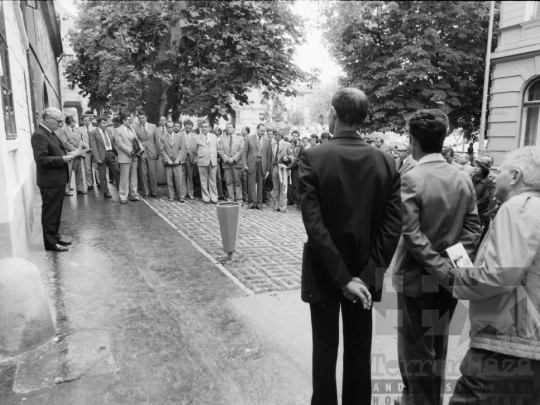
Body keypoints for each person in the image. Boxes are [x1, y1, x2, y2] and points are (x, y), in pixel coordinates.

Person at [299, 88, 402, 405]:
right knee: (359, 351)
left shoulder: (313, 157)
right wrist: (365, 278)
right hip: (365, 277)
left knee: (324, 350)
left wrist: (343, 278)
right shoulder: (386, 161)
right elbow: (391, 228)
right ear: (363, 119)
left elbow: (315, 227)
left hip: (324, 272)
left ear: (333, 113)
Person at [392, 110, 481, 405]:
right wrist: (449, 265)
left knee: (415, 350)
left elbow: (411, 234)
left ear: (413, 140)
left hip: (416, 278)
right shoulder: (462, 178)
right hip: (448, 279)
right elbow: (473, 229)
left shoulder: (411, 178)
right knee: (437, 347)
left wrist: (439, 266)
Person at [447, 146, 540, 404]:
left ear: (515, 176)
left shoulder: (519, 208)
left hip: (505, 348)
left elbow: (500, 276)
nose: (495, 177)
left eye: (500, 171)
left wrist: (457, 276)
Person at [31, 107, 77, 252]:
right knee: (50, 212)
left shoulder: (49, 132)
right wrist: (62, 159)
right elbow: (41, 159)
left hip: (56, 180)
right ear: (48, 119)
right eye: (59, 121)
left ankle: (55, 237)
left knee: (55, 212)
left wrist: (67, 154)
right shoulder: (39, 134)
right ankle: (50, 243)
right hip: (50, 181)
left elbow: (55, 151)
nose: (61, 124)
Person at [89, 116, 120, 199]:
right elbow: (93, 147)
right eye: (103, 123)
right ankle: (106, 192)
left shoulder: (109, 131)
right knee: (102, 175)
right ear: (98, 124)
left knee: (117, 171)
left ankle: (120, 189)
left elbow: (113, 143)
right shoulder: (93, 133)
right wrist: (97, 158)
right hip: (101, 155)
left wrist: (117, 153)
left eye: (106, 123)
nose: (105, 124)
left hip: (111, 153)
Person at [114, 113, 141, 204]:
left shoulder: (132, 129)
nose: (131, 121)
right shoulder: (118, 130)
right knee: (124, 178)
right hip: (125, 156)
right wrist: (131, 151)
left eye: (131, 119)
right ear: (123, 120)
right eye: (129, 119)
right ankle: (123, 196)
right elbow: (120, 144)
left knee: (134, 177)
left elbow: (136, 141)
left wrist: (140, 149)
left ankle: (134, 195)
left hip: (135, 156)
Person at [242, 123, 271, 210]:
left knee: (261, 185)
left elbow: (269, 155)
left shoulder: (267, 140)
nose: (263, 132)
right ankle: (251, 203)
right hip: (251, 164)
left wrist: (268, 168)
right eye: (261, 130)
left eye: (264, 131)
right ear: (257, 129)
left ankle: (259, 203)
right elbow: (244, 153)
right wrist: (245, 164)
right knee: (251, 184)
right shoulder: (249, 138)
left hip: (262, 164)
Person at [133, 111, 160, 198]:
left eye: (142, 118)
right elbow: (135, 140)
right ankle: (146, 192)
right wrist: (137, 150)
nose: (141, 120)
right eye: (139, 118)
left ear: (146, 117)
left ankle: (154, 192)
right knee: (143, 173)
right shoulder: (135, 127)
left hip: (152, 152)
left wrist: (157, 152)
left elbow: (157, 141)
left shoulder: (153, 126)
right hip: (142, 153)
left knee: (153, 173)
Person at [58, 115, 86, 196]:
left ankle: (80, 188)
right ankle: (66, 189)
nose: (75, 122)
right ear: (70, 121)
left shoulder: (76, 129)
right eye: (74, 121)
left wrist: (79, 150)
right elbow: (65, 143)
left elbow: (80, 141)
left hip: (77, 154)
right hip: (69, 154)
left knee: (79, 171)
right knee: (68, 172)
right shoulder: (63, 130)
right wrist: (75, 150)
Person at [192, 121, 219, 204]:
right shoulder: (197, 137)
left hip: (213, 161)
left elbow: (217, 147)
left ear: (209, 128)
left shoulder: (214, 136)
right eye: (202, 127)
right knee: (203, 180)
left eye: (206, 127)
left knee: (213, 180)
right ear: (200, 128)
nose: (204, 128)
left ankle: (214, 197)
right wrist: (201, 155)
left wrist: (214, 155)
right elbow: (193, 150)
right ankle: (206, 197)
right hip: (202, 161)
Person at [160, 121, 186, 202]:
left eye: (172, 127)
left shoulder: (179, 137)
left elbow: (182, 149)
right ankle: (171, 196)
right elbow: (162, 150)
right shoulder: (163, 138)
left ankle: (180, 196)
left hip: (177, 162)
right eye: (169, 127)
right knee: (169, 180)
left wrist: (178, 159)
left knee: (179, 179)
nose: (170, 129)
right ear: (166, 128)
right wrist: (168, 160)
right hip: (168, 162)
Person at [268, 130, 294, 212]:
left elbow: (292, 156)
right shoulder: (272, 144)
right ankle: (276, 205)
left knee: (283, 186)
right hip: (274, 167)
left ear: (280, 135)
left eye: (276, 134)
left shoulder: (287, 144)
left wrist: (287, 158)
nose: (274, 136)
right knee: (275, 187)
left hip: (283, 168)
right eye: (274, 134)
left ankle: (282, 206)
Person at [218, 123, 244, 203]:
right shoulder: (222, 139)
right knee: (229, 182)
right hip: (227, 163)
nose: (228, 129)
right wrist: (227, 158)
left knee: (237, 182)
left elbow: (241, 150)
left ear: (234, 129)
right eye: (227, 128)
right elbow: (220, 151)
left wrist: (234, 158)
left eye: (230, 127)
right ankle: (231, 198)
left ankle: (239, 199)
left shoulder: (240, 138)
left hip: (236, 163)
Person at [75, 115, 95, 190]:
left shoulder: (94, 128)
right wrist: (87, 146)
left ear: (90, 121)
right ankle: (89, 184)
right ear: (82, 121)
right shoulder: (79, 129)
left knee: (96, 167)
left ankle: (99, 182)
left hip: (95, 150)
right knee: (87, 168)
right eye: (85, 120)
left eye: (88, 120)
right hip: (86, 150)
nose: (87, 122)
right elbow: (79, 140)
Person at [288, 130, 304, 207]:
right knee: (288, 183)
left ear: (298, 137)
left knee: (296, 183)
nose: (294, 137)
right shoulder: (288, 143)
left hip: (296, 167)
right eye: (293, 136)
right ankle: (290, 199)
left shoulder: (301, 145)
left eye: (296, 136)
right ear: (291, 136)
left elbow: (303, 156)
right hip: (288, 165)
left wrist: (297, 162)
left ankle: (298, 201)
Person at [180, 119, 196, 199]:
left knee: (190, 175)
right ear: (184, 126)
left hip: (191, 158)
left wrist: (195, 157)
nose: (188, 129)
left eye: (190, 128)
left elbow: (196, 147)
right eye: (187, 128)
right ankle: (183, 193)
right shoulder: (179, 135)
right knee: (182, 176)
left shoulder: (194, 135)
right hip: (182, 157)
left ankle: (190, 193)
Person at [240, 126, 250, 202]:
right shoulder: (240, 139)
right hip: (240, 162)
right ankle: (244, 196)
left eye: (242, 129)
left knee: (248, 180)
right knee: (242, 180)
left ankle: (248, 195)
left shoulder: (250, 139)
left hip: (248, 162)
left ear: (246, 131)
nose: (241, 131)